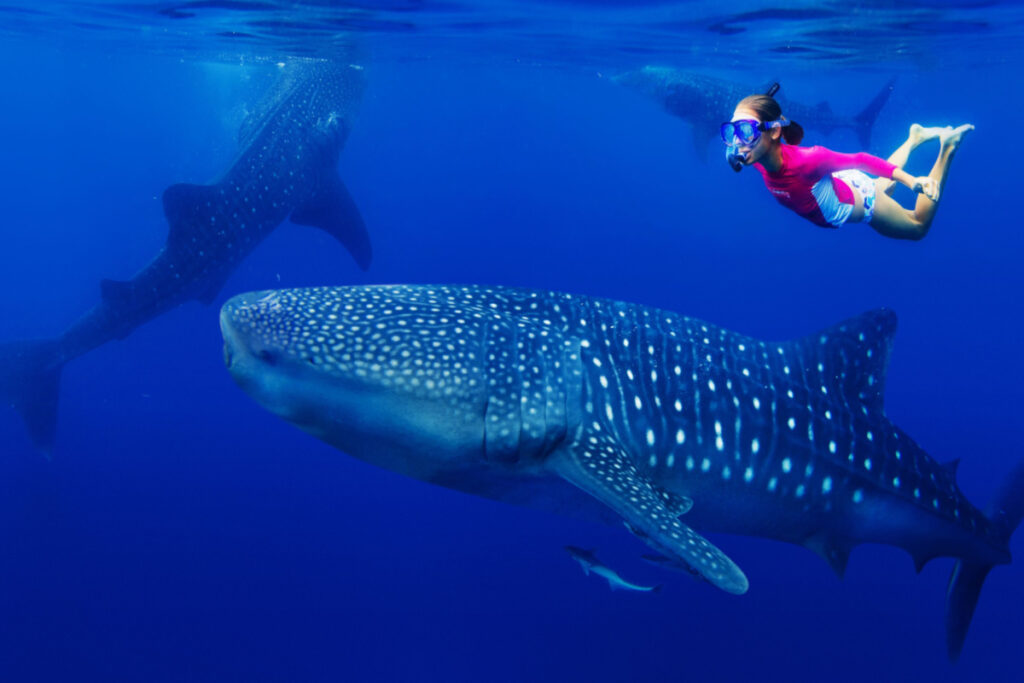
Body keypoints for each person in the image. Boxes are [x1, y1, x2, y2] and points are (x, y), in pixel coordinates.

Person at [722, 93, 972, 240]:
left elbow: (862, 160)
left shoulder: (807, 160)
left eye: (745, 131)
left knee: (917, 227)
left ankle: (948, 147)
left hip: (863, 202)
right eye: (732, 132)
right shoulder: (756, 157)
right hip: (845, 186)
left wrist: (912, 181)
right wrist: (745, 134)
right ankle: (914, 138)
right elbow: (740, 149)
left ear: (775, 131)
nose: (738, 143)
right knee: (880, 187)